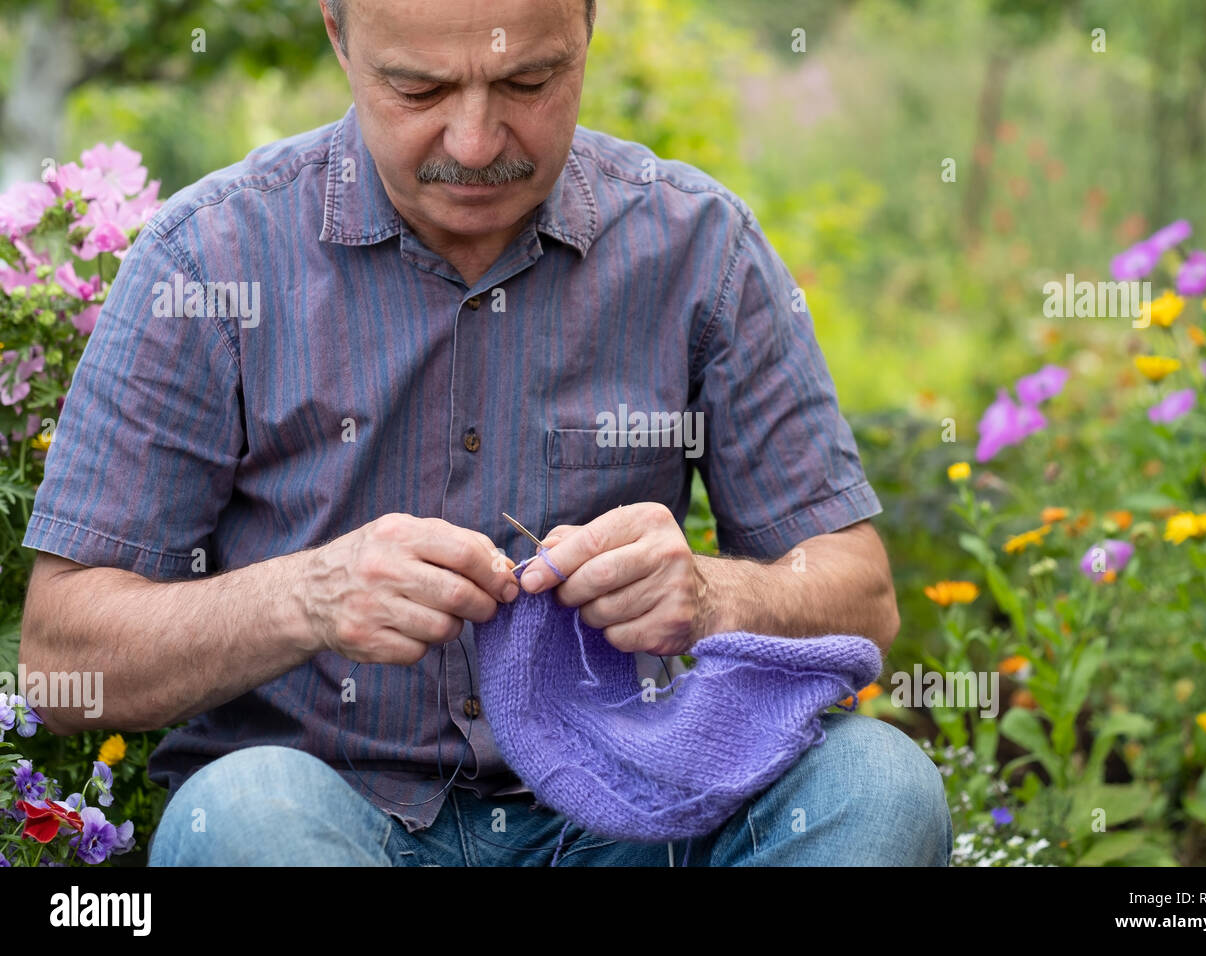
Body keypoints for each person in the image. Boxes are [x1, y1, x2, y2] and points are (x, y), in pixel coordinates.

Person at [20, 0, 952, 866]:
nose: (474, 144)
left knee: (877, 785)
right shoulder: (208, 260)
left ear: (587, 28)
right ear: (340, 38)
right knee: (247, 811)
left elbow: (860, 596)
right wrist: (305, 598)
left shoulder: (699, 249)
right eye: (418, 89)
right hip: (326, 817)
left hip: (629, 812)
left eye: (528, 84)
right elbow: (64, 660)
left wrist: (711, 596)